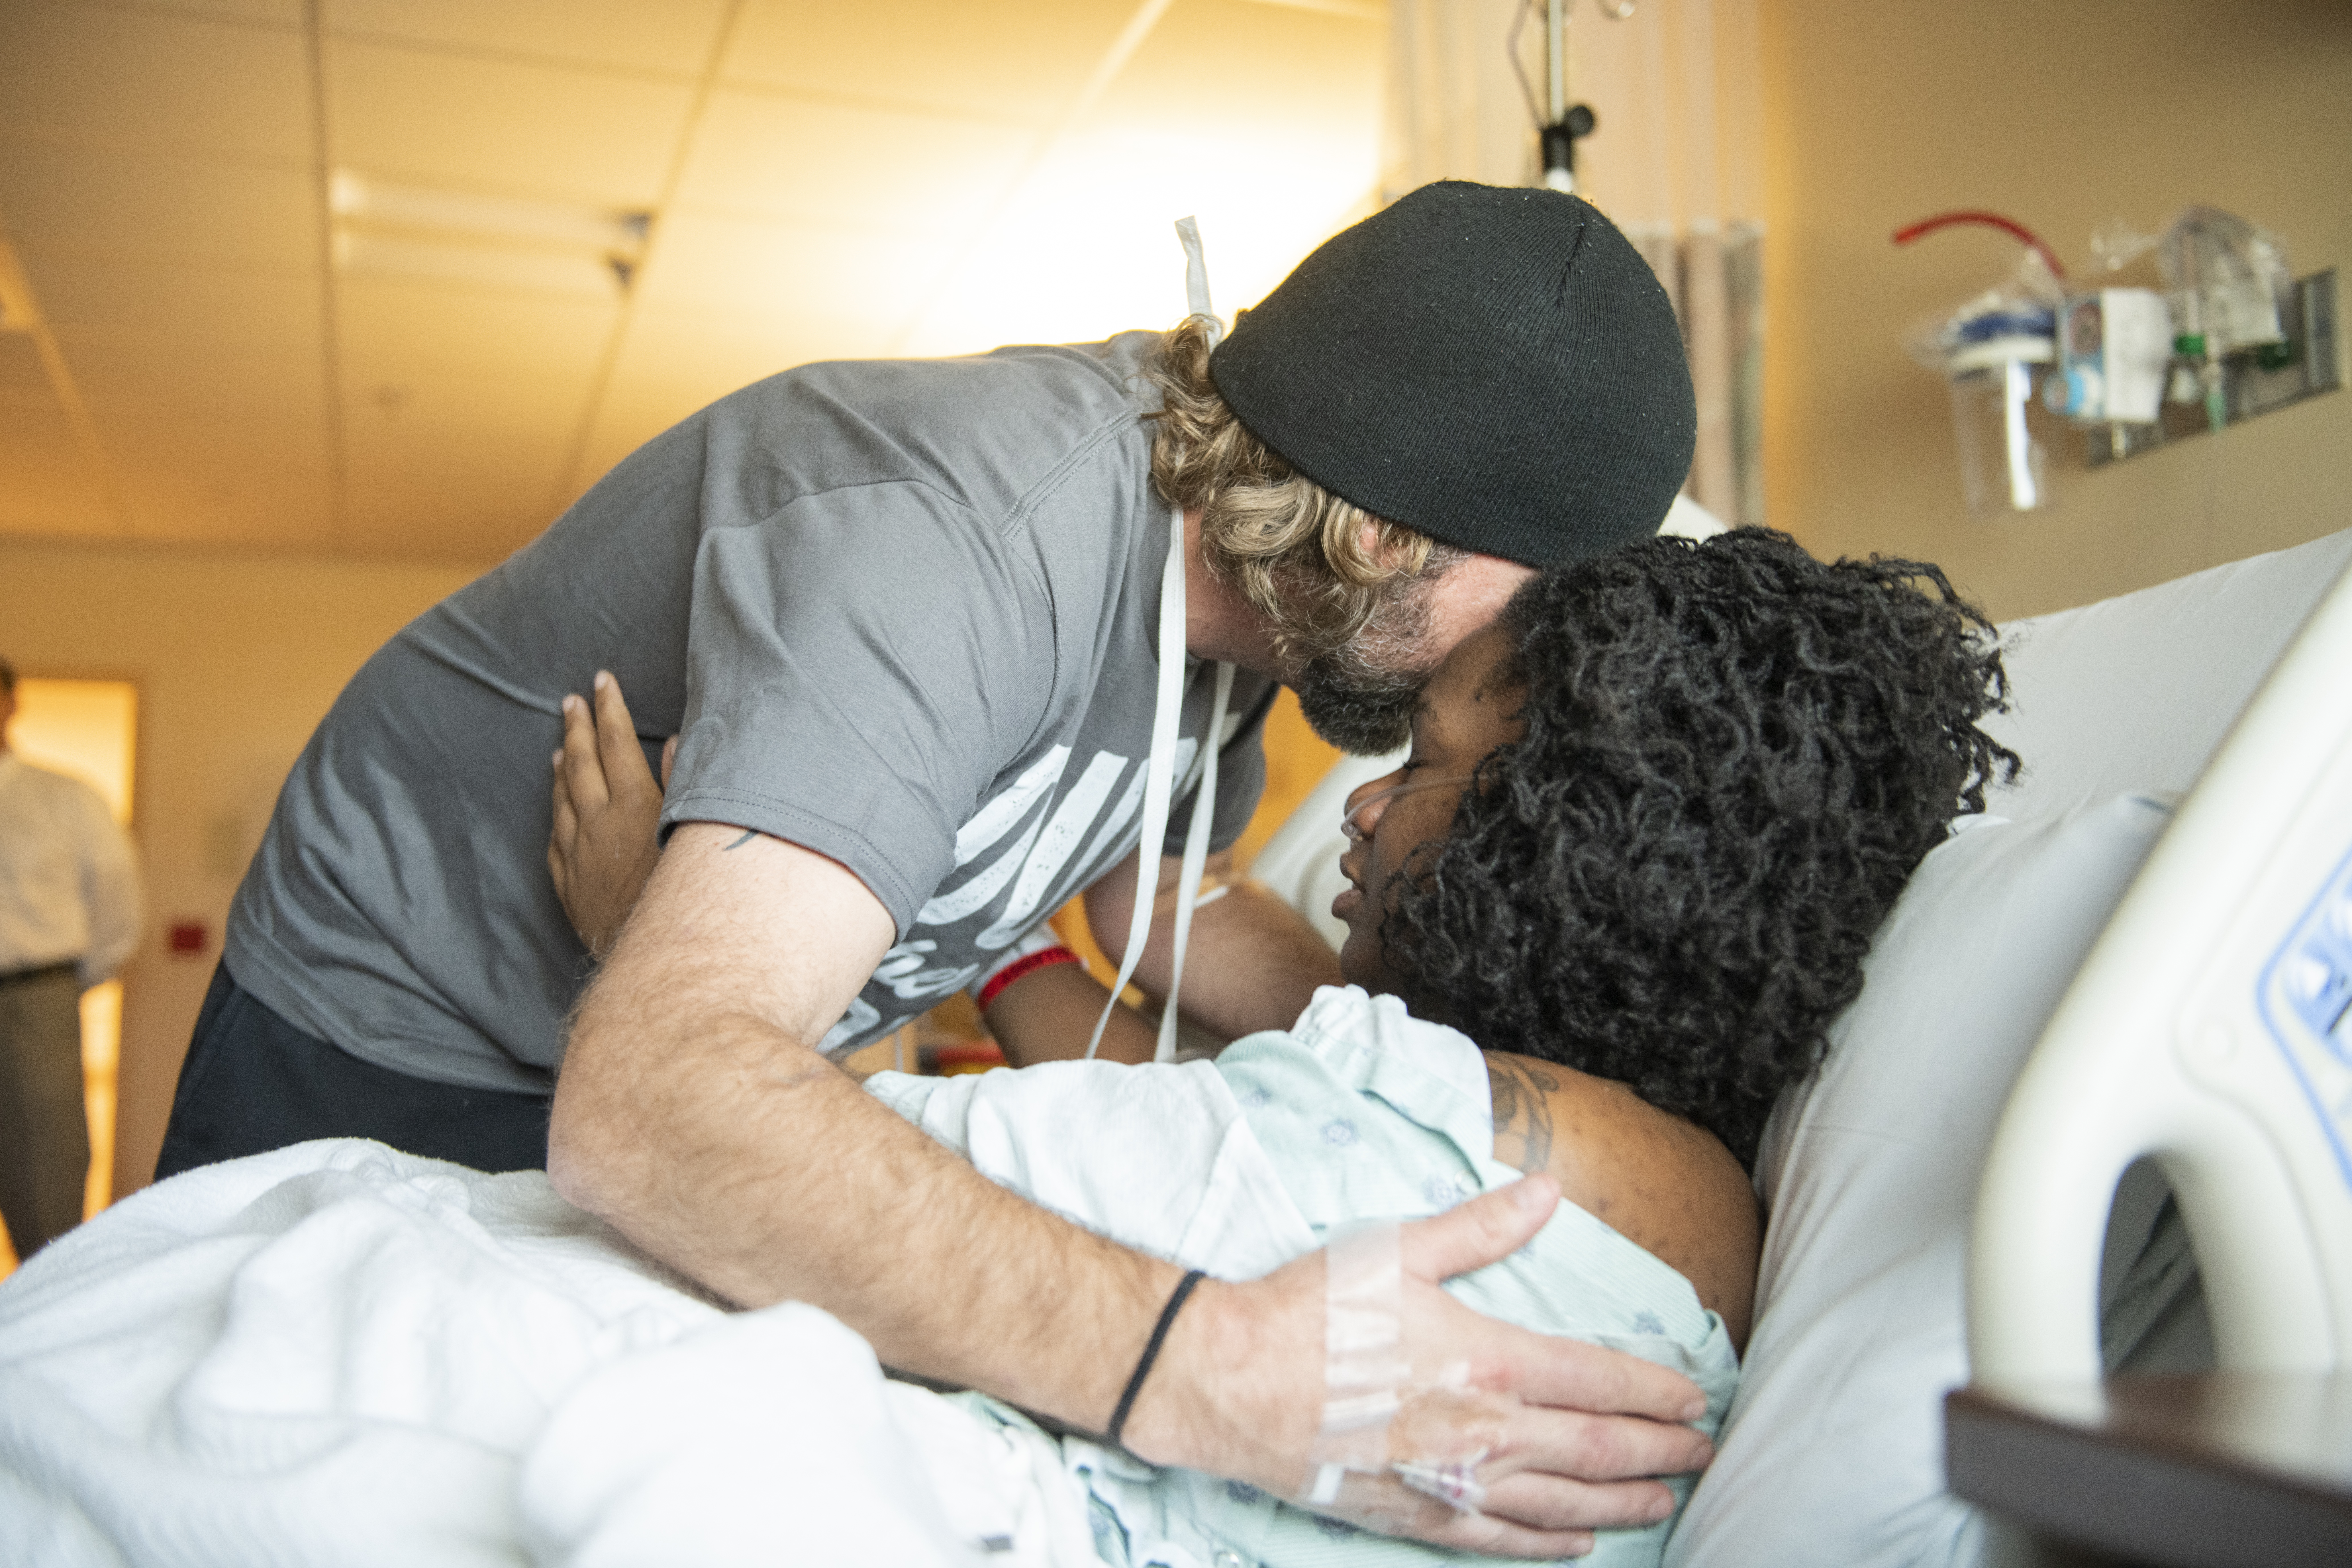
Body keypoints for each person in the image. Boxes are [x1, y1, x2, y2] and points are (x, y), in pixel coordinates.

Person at [158, 181, 1713, 1549]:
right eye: (1524, 609)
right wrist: (1216, 1372)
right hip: (399, 1006)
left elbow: (1150, 891)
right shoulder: (953, 542)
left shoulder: (1260, 603)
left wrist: (1417, 1070)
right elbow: (655, 1102)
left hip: (648, 1026)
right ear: (1386, 536)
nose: (1510, 672)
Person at [555, 526, 2019, 1562]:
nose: (1365, 811)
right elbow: (1172, 1108)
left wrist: (651, 937)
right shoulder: (1687, 1194)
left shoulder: (1468, 1138)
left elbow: (763, 1170)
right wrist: (1027, 927)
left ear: (1571, 846)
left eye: (1425, 763)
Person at [0, 656, 144, 1260]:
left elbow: (120, 908)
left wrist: (66, 986)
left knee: (46, 1174)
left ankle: (43, 1325)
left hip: (35, 1001)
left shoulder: (62, 797)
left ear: (10, 703)